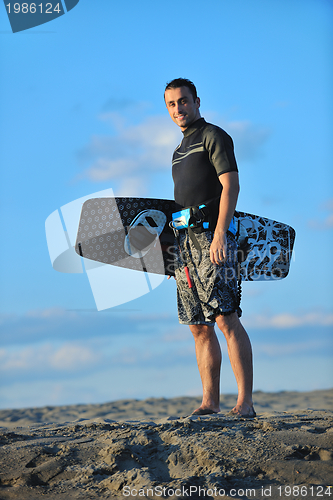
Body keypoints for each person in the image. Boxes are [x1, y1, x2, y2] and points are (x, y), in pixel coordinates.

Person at [164, 78, 255, 417]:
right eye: (172, 104)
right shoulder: (177, 151)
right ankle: (209, 403)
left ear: (196, 101)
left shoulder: (212, 136)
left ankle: (244, 402)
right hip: (184, 243)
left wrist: (220, 233)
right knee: (197, 325)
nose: (178, 109)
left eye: (183, 101)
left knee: (225, 317)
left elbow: (230, 185)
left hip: (212, 236)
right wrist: (172, 257)